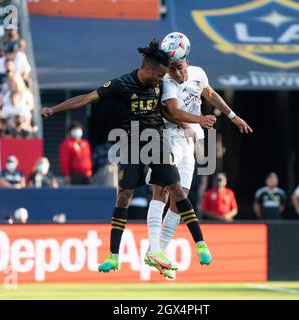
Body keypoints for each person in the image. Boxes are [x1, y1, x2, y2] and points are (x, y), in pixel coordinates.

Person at [41, 39, 216, 274]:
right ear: (149, 70)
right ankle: (113, 256)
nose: (162, 80)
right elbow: (85, 98)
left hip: (158, 142)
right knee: (123, 196)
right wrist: (53, 109)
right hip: (132, 144)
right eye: (160, 76)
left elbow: (168, 111)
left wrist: (187, 124)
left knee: (176, 189)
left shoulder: (160, 82)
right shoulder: (121, 84)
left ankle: (200, 244)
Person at [145, 54, 252, 278]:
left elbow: (210, 94)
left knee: (181, 195)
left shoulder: (198, 74)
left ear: (188, 63)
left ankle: (160, 252)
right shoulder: (166, 81)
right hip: (166, 136)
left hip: (189, 140)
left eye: (180, 68)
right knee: (162, 189)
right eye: (172, 68)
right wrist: (196, 121)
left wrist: (233, 116)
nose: (177, 73)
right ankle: (154, 247)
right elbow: (171, 111)